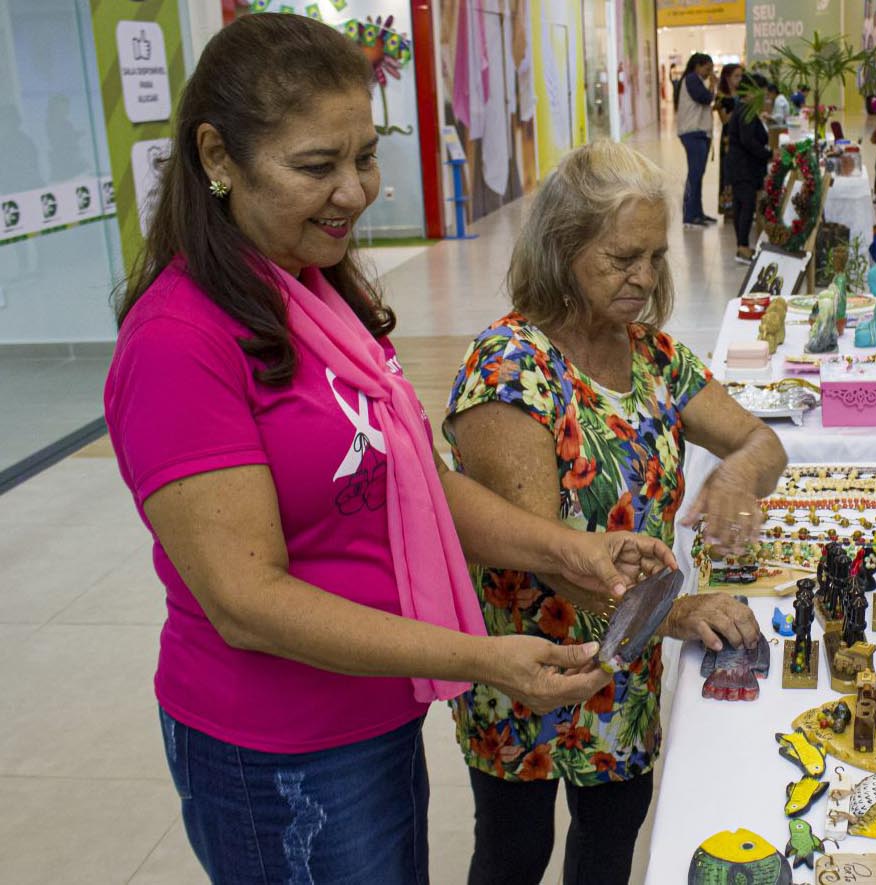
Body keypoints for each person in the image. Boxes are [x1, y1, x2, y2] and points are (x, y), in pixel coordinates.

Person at [103, 16, 676, 882]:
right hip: (280, 752)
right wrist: (480, 656)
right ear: (217, 157)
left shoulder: (310, 295)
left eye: (364, 156)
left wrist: (569, 549)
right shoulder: (180, 341)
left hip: (372, 714)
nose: (355, 191)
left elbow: (410, 482)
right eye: (316, 166)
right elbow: (245, 601)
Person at [445, 141, 788, 885]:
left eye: (656, 257)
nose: (645, 277)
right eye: (622, 257)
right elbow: (551, 559)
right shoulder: (511, 367)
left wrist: (736, 476)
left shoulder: (653, 356)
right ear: (563, 249)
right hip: (529, 669)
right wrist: (678, 611)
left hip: (622, 679)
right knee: (512, 855)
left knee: (606, 851)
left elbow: (762, 440)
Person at [727, 73, 773, 264]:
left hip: (741, 165)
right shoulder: (745, 110)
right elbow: (748, 141)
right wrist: (767, 154)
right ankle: (743, 248)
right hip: (743, 166)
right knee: (745, 205)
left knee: (741, 205)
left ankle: (742, 245)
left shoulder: (745, 108)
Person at [675, 52, 717, 228]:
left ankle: (698, 213)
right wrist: (713, 85)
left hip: (700, 132)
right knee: (695, 174)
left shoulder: (696, 80)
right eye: (708, 68)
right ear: (698, 66)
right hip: (693, 132)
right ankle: (689, 216)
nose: (710, 73)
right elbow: (706, 98)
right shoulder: (692, 79)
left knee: (698, 174)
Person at [715, 62, 744, 220]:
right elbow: (724, 119)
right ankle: (728, 208)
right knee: (728, 172)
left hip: (743, 137)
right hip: (729, 139)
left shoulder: (744, 93)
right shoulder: (721, 96)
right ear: (727, 77)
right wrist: (740, 108)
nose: (739, 79)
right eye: (736, 76)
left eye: (741, 76)